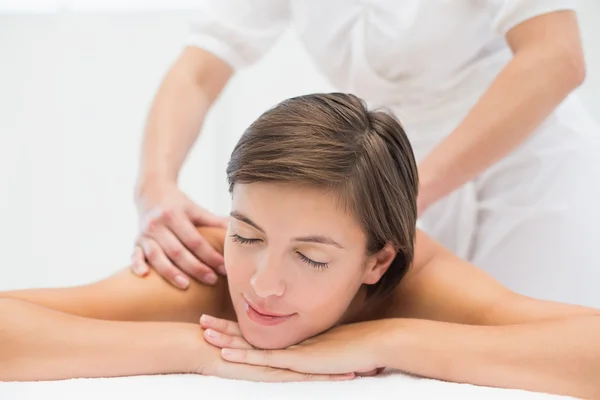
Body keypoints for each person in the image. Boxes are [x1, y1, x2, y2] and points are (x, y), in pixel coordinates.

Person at [2, 94, 600, 398]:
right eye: (248, 234)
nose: (262, 283)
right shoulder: (207, 264)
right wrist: (205, 351)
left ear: (378, 260)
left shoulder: (420, 280)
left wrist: (391, 338)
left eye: (311, 256)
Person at [132, 1, 600, 307]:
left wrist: (397, 197)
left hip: (528, 175)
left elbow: (556, 57)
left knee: (531, 355)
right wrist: (156, 187)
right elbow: (200, 67)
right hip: (386, 187)